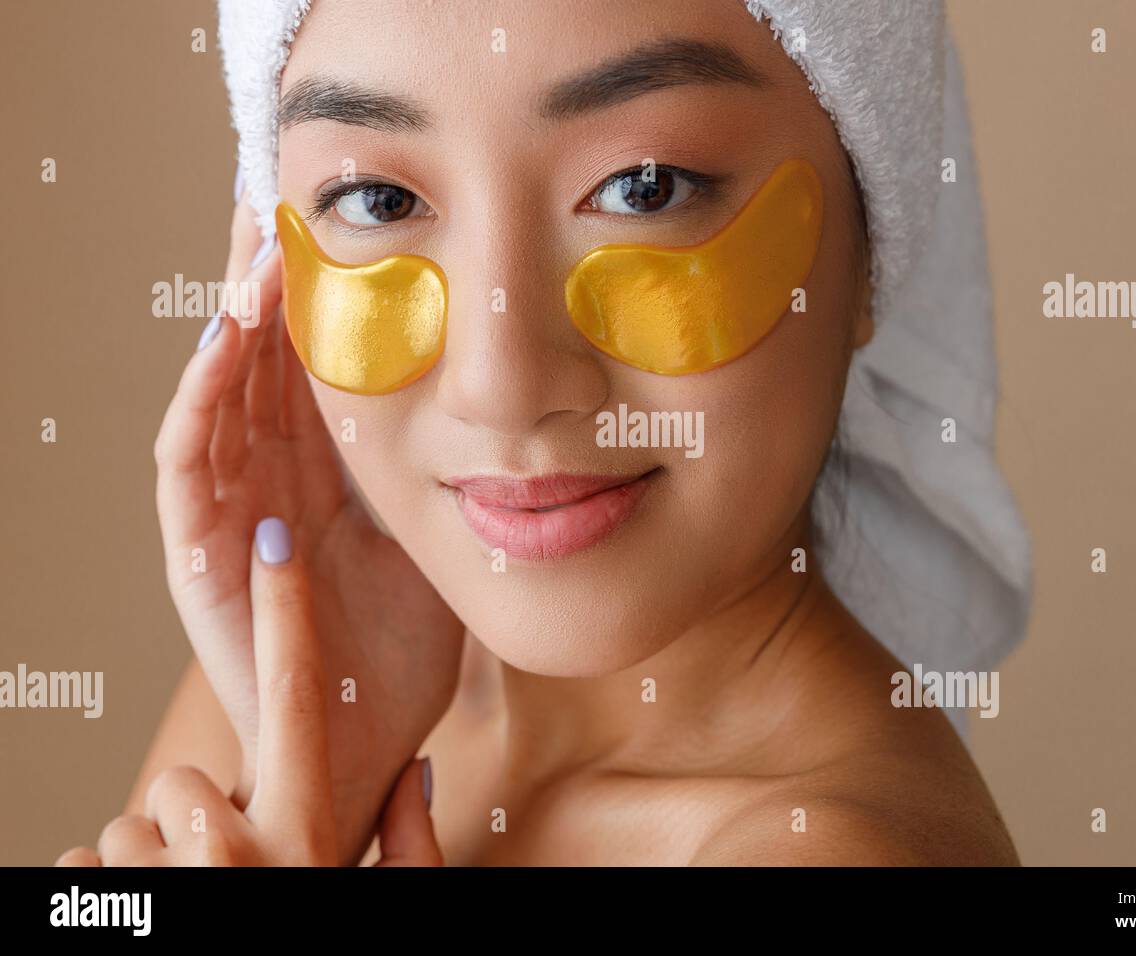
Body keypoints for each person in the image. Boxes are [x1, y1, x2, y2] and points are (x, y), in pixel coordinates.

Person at [56, 0, 1030, 867]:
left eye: (645, 188)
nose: (501, 385)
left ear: (872, 242)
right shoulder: (310, 693)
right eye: (377, 201)